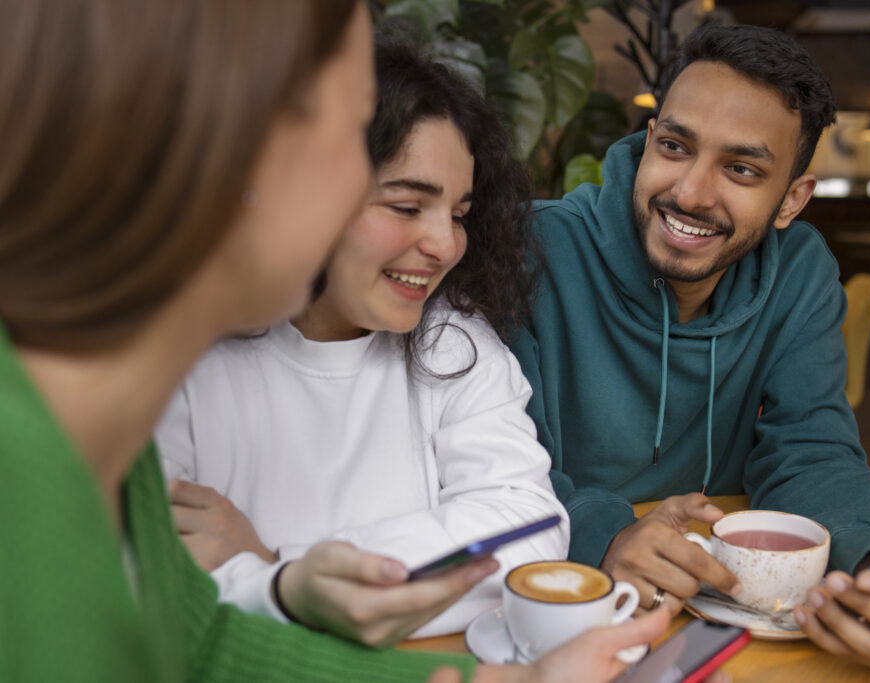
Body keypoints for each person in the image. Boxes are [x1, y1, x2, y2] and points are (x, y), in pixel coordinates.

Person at [0, 1, 671, 681]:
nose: (441, 242)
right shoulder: (42, 451)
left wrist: (280, 575)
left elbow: (195, 639)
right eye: (352, 130)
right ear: (224, 134)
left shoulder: (102, 422)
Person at [507, 23, 870, 671]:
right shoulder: (529, 252)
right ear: (647, 139)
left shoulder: (799, 271)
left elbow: (812, 449)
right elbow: (495, 469)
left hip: (728, 611)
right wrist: (602, 533)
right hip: (558, 607)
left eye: (742, 168)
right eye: (674, 145)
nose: (690, 192)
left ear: (791, 200)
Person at [154, 35, 568, 642]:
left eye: (458, 214)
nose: (447, 244)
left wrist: (277, 570)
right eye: (406, 206)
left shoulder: (452, 342)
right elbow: (158, 587)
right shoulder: (181, 362)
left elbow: (529, 534)